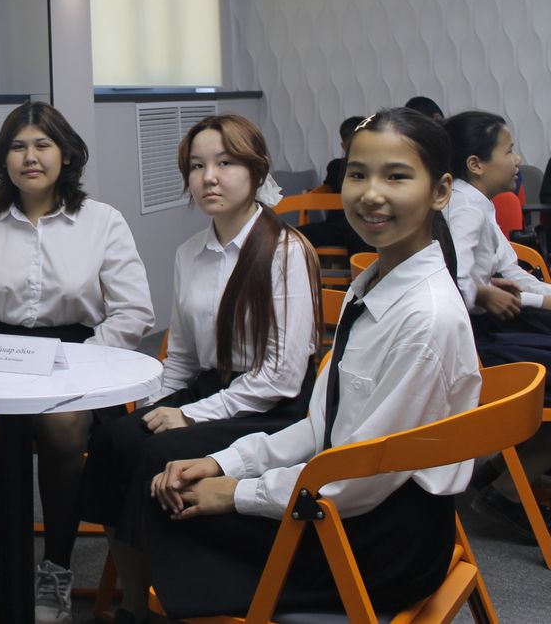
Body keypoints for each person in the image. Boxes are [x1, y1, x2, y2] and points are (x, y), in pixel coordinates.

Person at [142, 108, 481, 620]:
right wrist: (225, 462)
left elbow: (356, 480)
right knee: (173, 487)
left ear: (440, 191)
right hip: (350, 507)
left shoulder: (426, 318)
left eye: (396, 176)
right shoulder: (372, 285)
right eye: (358, 174)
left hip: (378, 543)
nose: (371, 194)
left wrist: (237, 493)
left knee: (167, 508)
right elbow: (323, 426)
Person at [80, 114, 322, 622]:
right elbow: (183, 359)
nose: (209, 177)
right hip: (210, 390)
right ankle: (134, 598)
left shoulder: (285, 251)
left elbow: (280, 376)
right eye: (196, 166)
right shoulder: (189, 253)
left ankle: (163, 603)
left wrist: (188, 416)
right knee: (112, 438)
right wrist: (154, 406)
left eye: (225, 163)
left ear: (257, 171)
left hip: (273, 407)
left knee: (154, 454)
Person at [0, 101, 155, 624]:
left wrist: (83, 359)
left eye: (42, 145)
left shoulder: (102, 221)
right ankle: (0, 567)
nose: (29, 157)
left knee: (63, 425)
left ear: (66, 154)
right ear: (3, 159)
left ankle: (56, 568)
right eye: (17, 147)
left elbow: (134, 310)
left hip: (78, 353)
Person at [441, 111, 551, 538]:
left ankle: (503, 472)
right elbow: (453, 284)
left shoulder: (475, 204)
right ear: (476, 164)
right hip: (477, 342)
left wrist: (541, 295)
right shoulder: (465, 207)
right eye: (509, 151)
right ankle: (506, 490)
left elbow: (512, 271)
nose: (517, 159)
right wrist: (486, 293)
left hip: (486, 331)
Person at [299, 115, 371, 256]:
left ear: (343, 146)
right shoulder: (337, 166)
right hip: (348, 225)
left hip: (346, 225)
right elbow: (327, 191)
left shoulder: (336, 166)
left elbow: (326, 191)